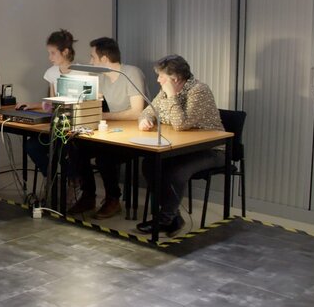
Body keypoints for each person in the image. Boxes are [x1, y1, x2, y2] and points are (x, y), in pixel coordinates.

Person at [136, 54, 225, 237]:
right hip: (182, 147)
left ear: (175, 78)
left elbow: (180, 124)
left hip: (210, 149)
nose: (158, 80)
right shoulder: (165, 90)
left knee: (176, 171)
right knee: (149, 164)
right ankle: (173, 217)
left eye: (161, 76)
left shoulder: (198, 91)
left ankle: (165, 219)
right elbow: (147, 111)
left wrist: (171, 95)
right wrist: (145, 120)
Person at [66, 37, 147, 219]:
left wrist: (103, 116)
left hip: (135, 135)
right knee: (76, 146)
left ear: (104, 59)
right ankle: (88, 196)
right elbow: (91, 102)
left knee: (104, 157)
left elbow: (136, 112)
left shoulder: (131, 73)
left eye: (92, 57)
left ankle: (113, 199)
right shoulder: (101, 77)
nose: (90, 61)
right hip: (114, 131)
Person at [24, 29, 77, 178]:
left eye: (53, 53)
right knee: (31, 146)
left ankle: (72, 180)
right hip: (57, 126)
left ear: (65, 52)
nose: (50, 57)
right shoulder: (52, 72)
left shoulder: (82, 72)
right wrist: (35, 105)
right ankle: (51, 179)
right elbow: (52, 102)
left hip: (73, 128)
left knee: (65, 150)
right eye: (49, 53)